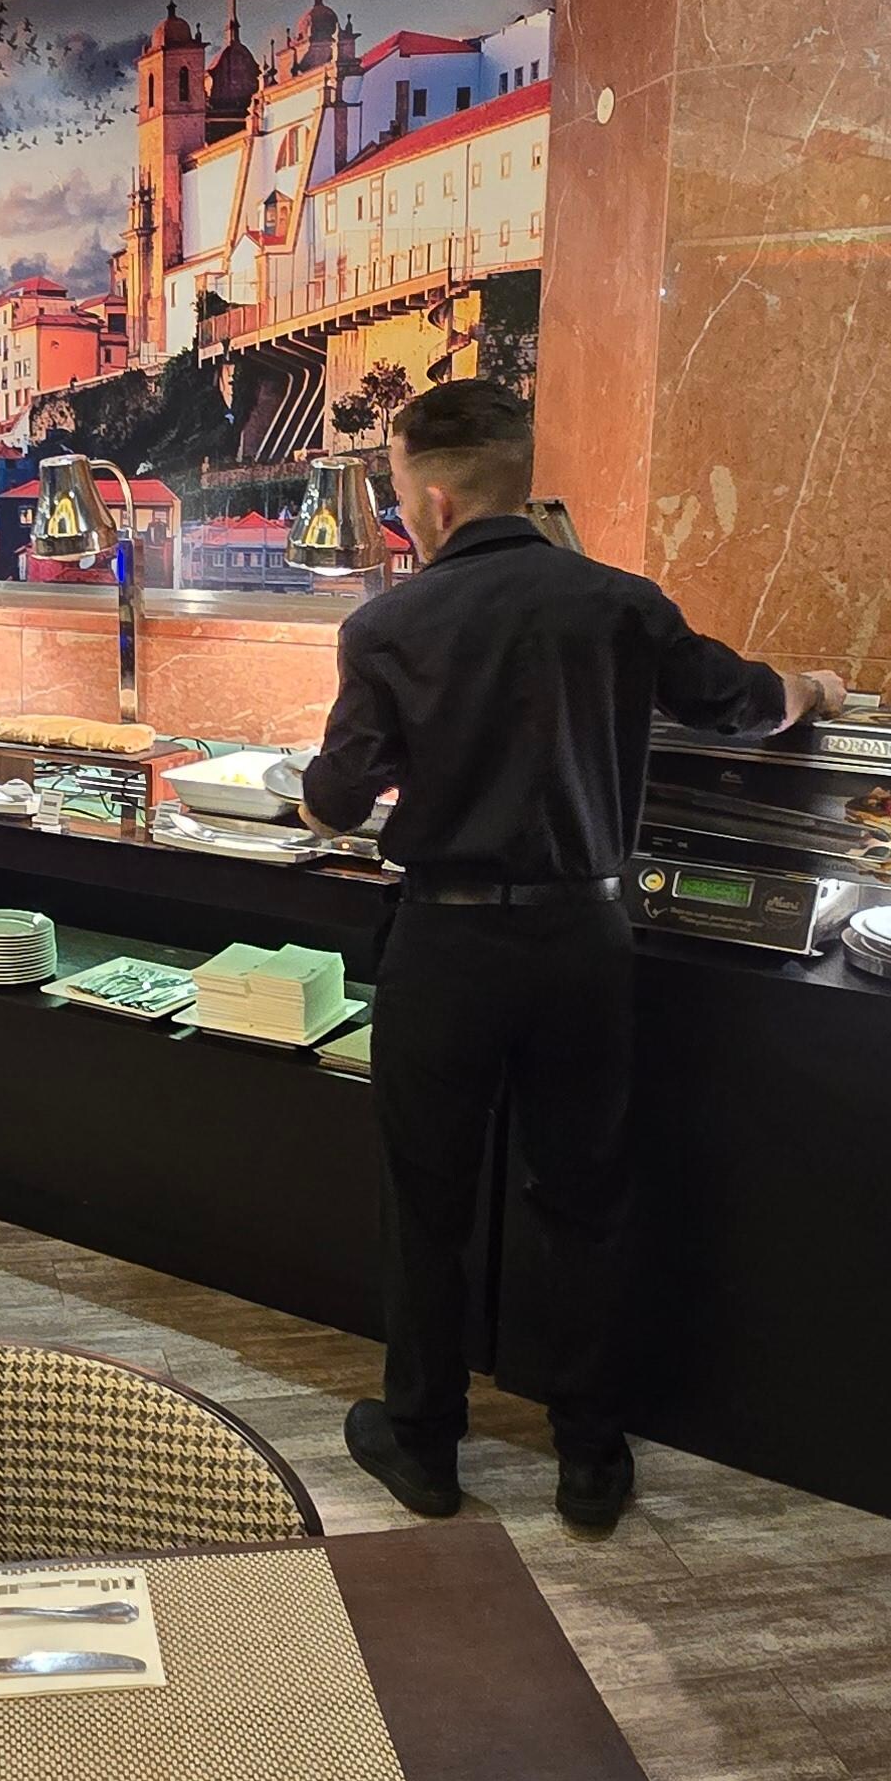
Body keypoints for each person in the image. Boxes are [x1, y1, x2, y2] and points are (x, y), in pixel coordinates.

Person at [296, 379, 836, 1537]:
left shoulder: (387, 626)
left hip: (447, 939)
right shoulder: (618, 603)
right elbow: (747, 703)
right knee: (584, 1196)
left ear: (433, 498)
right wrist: (817, 687)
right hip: (583, 940)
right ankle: (589, 1456)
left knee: (426, 1200)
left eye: (399, 493)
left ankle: (423, 1444)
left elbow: (335, 799)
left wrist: (340, 789)